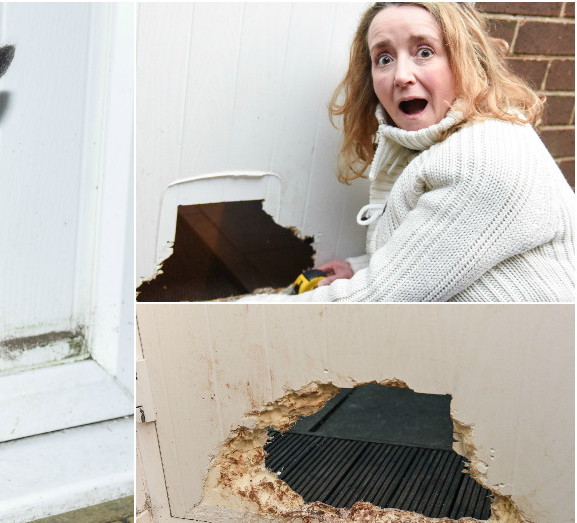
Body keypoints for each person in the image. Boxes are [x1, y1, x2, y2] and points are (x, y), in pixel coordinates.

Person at [242, 2, 574, 302]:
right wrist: (359, 267)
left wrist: (249, 312)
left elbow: (380, 301)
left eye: (424, 52)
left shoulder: (483, 159)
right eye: (383, 58)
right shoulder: (445, 139)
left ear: (465, 60)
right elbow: (433, 251)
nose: (401, 76)